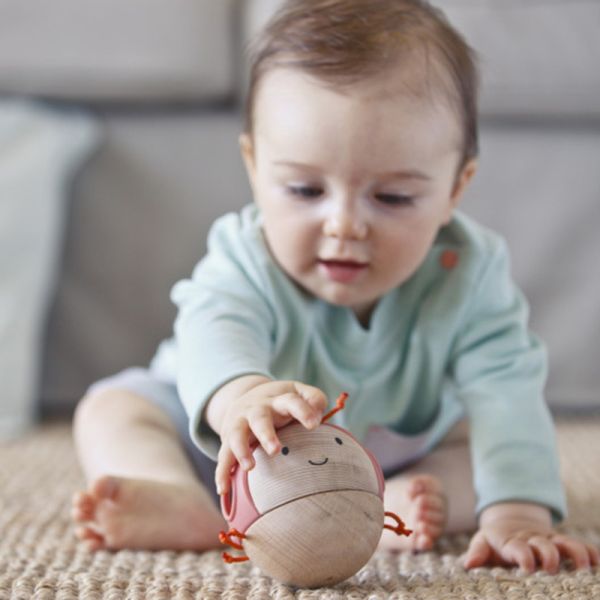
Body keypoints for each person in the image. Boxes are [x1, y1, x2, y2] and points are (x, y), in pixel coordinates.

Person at [71, 0, 599, 573]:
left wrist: (517, 513)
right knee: (112, 408)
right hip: (232, 449)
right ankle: (177, 495)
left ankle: (383, 503)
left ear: (455, 188)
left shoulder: (469, 272)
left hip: (392, 455)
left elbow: (506, 392)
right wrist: (241, 397)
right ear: (255, 167)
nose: (344, 225)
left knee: (483, 451)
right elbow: (212, 328)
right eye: (305, 190)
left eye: (393, 197)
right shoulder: (246, 254)